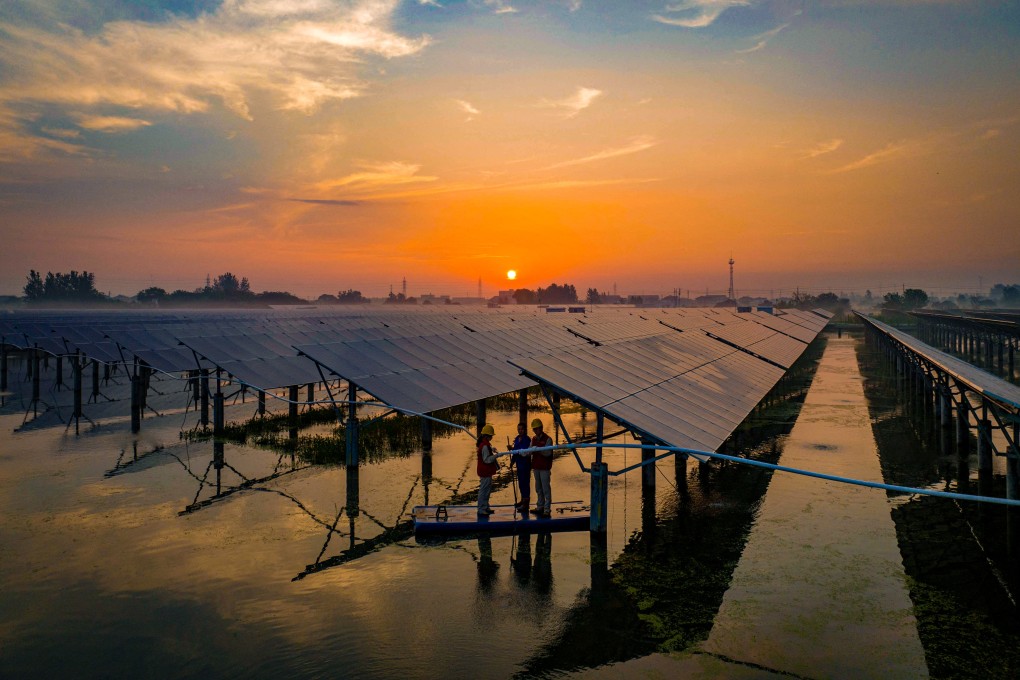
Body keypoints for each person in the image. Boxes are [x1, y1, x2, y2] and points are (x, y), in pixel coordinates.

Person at [530, 418, 554, 517]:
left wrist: (539, 450)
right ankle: (540, 506)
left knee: (545, 488)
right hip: (536, 467)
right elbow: (530, 451)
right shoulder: (533, 439)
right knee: (538, 488)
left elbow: (548, 453)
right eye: (534, 429)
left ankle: (547, 509)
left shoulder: (548, 439)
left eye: (537, 429)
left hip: (544, 468)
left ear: (541, 428)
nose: (535, 431)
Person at [476, 423, 499, 515]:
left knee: (487, 490)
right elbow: (487, 460)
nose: (492, 437)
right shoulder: (484, 446)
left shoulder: (485, 444)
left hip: (486, 471)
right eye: (491, 436)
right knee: (484, 490)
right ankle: (481, 509)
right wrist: (497, 456)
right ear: (488, 436)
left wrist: (492, 449)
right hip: (484, 471)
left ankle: (485, 506)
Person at [510, 421, 532, 512]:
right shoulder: (516, 439)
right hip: (519, 464)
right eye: (519, 429)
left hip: (525, 464)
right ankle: (522, 500)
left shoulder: (527, 440)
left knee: (525, 483)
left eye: (522, 429)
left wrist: (512, 449)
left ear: (525, 430)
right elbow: (515, 453)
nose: (520, 431)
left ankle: (526, 503)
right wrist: (512, 462)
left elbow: (523, 451)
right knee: (520, 483)